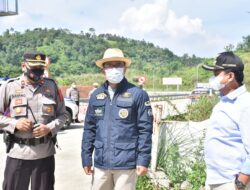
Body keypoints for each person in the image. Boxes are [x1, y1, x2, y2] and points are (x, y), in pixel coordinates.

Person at [81, 48, 153, 190]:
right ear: (103, 70)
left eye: (118, 65)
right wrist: (86, 157)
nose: (114, 69)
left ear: (125, 68)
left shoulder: (138, 94)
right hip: (101, 163)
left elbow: (145, 130)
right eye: (109, 65)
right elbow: (89, 128)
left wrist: (143, 160)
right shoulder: (96, 95)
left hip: (126, 164)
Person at [0, 51, 66, 190]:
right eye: (34, 67)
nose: (38, 71)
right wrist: (15, 124)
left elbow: (63, 115)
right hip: (18, 153)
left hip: (44, 154)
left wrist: (49, 128)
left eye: (41, 68)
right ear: (24, 66)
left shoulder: (52, 86)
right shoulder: (10, 86)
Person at [202, 52, 250, 190]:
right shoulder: (223, 101)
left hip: (232, 182)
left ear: (230, 76)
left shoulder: (245, 104)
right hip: (216, 179)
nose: (213, 78)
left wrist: (240, 183)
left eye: (217, 73)